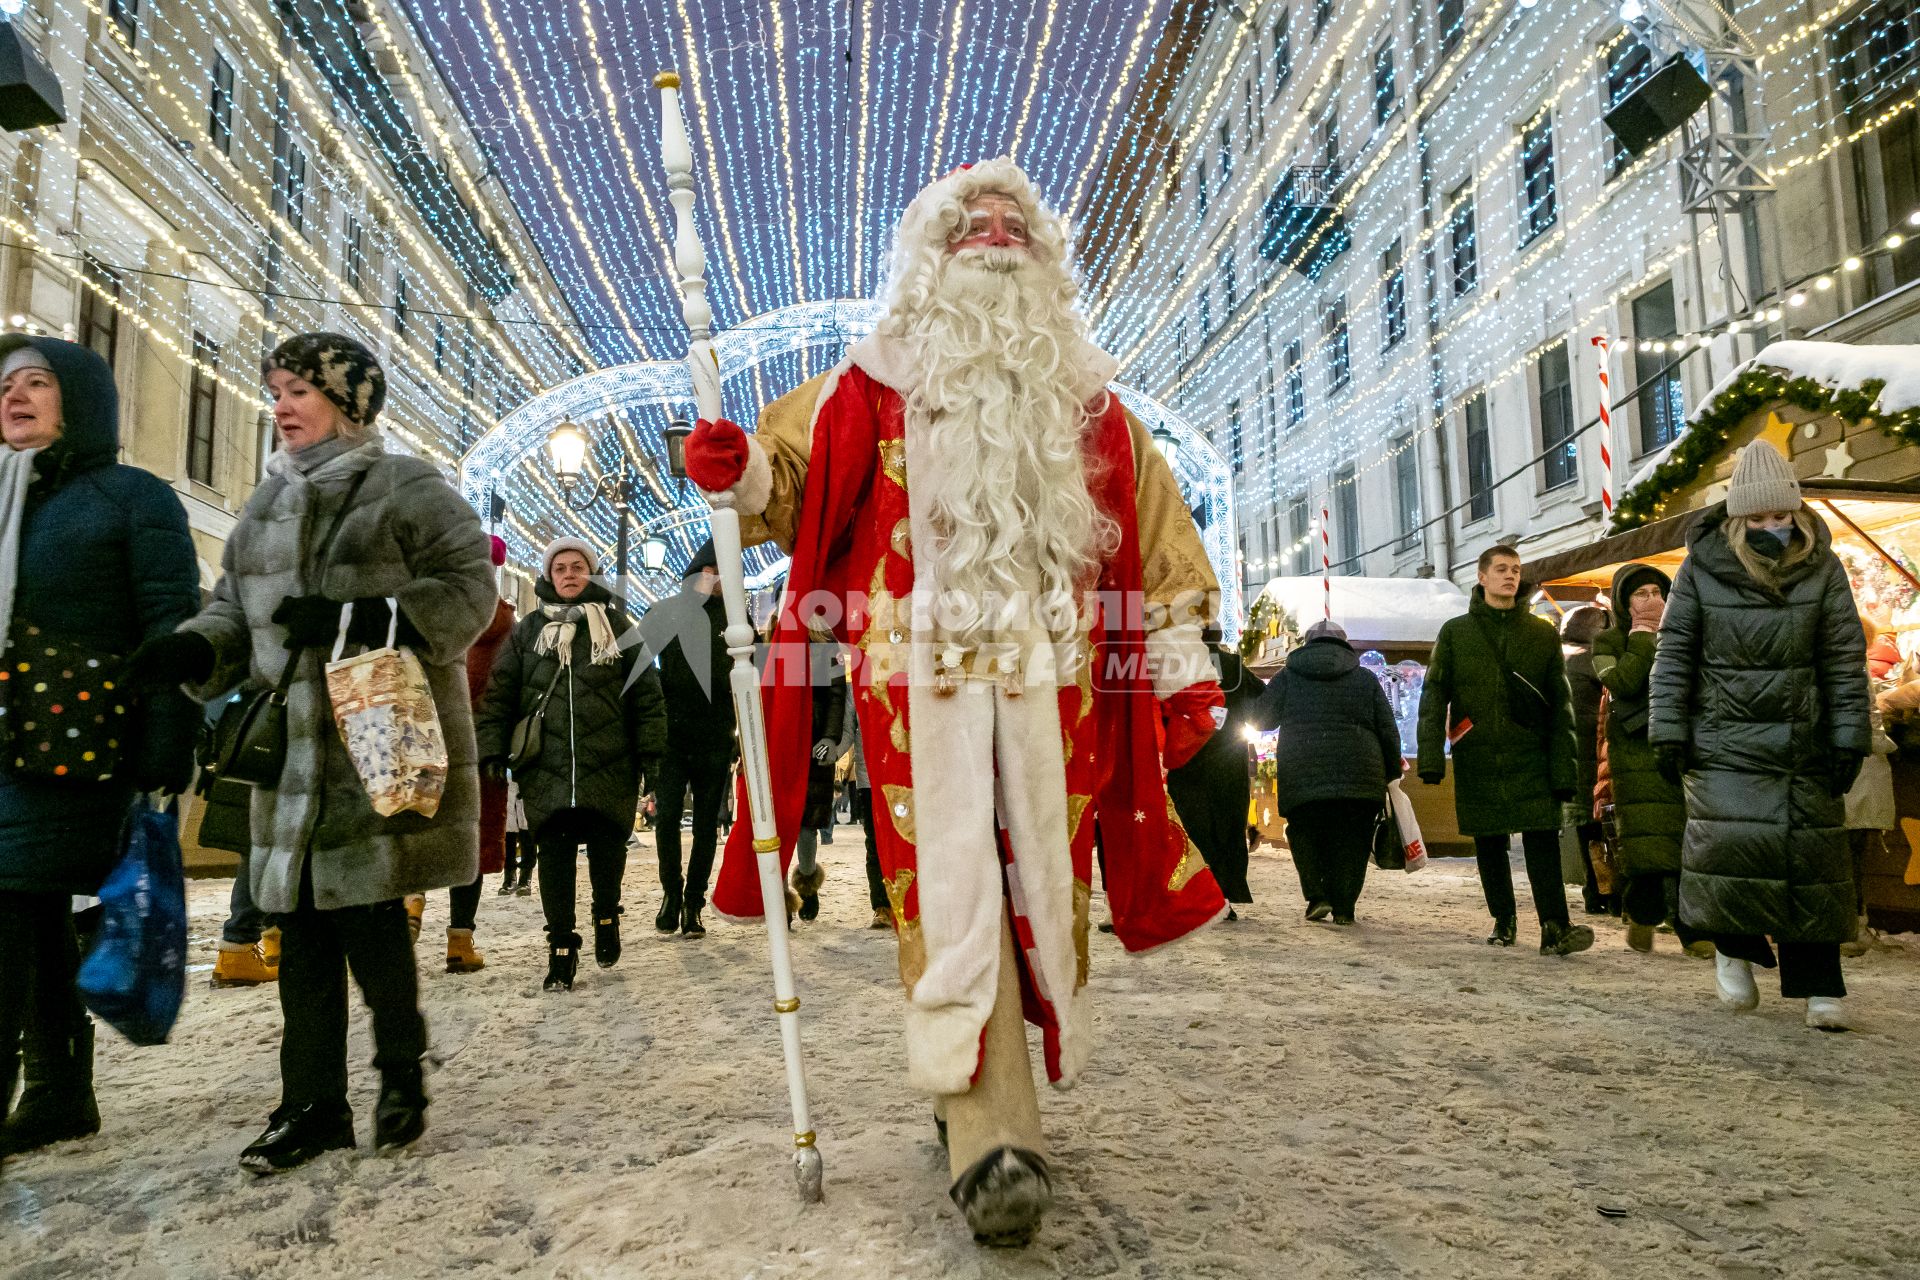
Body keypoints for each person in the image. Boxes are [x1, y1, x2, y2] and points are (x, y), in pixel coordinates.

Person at [686, 159, 1226, 1246]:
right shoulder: (863, 386)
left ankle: (977, 1100)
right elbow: (782, 480)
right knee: (947, 887)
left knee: (1042, 883)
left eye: (1012, 222)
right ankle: (992, 1137)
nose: (993, 232)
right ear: (930, 257)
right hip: (915, 695)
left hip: (1058, 690)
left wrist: (1177, 666)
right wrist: (737, 470)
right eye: (970, 222)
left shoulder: (1094, 408)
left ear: (1043, 262)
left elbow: (1159, 537)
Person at [126, 332, 495, 1174]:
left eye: (299, 390)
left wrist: (361, 619)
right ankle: (312, 1106)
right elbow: (234, 614)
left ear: (349, 402)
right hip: (290, 757)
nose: (282, 405)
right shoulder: (263, 504)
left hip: (375, 740)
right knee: (300, 934)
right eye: (278, 390)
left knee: (370, 922)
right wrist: (191, 650)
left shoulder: (406, 485)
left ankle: (401, 1074)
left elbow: (467, 591)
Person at [0, 336, 198, 1162]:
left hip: (68, 742)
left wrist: (165, 740)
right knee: (31, 914)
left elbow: (170, 622)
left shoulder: (129, 496)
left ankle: (44, 1087)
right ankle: (58, 1090)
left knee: (11, 908)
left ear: (78, 398)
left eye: (37, 382)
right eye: (5, 384)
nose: (15, 396)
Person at [1650, 443, 1870, 1029]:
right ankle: (1733, 951)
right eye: (1759, 518)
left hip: (1804, 741)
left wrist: (1851, 735)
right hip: (1725, 741)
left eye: (1782, 516)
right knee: (1729, 853)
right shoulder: (1700, 569)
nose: (1773, 527)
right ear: (1737, 519)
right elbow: (1674, 654)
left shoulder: (1824, 567)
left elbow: (1844, 658)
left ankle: (1821, 988)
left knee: (1812, 865)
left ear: (1796, 514)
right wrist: (1667, 730)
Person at [473, 537, 666, 989]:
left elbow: (647, 695)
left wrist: (652, 752)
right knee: (554, 857)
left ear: (590, 573)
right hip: (547, 765)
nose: (569, 574)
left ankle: (605, 917)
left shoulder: (618, 626)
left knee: (606, 850)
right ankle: (561, 945)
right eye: (560, 568)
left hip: (610, 761)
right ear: (549, 576)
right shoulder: (528, 632)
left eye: (577, 566)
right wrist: (492, 750)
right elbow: (500, 694)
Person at [1417, 544, 1594, 956]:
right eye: (1501, 569)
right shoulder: (1456, 632)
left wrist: (1564, 769)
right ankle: (1504, 918)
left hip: (1531, 751)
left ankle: (1554, 926)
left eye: (1515, 569)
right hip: (1477, 753)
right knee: (1490, 842)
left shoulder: (1540, 633)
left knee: (1542, 840)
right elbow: (1433, 696)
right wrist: (1430, 758)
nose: (1510, 576)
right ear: (1482, 577)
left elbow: (1560, 705)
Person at [1257, 619, 1402, 926]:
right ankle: (1345, 907)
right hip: (1360, 774)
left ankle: (1317, 896)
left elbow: (1262, 719)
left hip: (1303, 770)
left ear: (1306, 644)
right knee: (1353, 839)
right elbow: (1387, 729)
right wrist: (1390, 771)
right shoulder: (1364, 679)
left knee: (1305, 832)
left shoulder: (1288, 677)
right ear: (1344, 644)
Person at [1590, 564, 1702, 956]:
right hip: (1636, 749)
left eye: (1658, 591)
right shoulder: (1608, 641)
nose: (1652, 600)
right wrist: (1642, 636)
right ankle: (1643, 912)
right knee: (1649, 844)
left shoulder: (1685, 631)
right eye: (1641, 594)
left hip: (1683, 743)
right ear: (1624, 602)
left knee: (1691, 840)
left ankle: (1694, 930)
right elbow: (1624, 682)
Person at [437, 535, 517, 975]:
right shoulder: (505, 623)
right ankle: (460, 939)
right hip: (480, 746)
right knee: (471, 838)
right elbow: (508, 690)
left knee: (416, 826)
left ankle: (410, 905)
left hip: (428, 739)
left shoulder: (431, 612)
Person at [650, 539, 735, 938]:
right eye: (709, 572)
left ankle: (694, 903)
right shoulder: (665, 613)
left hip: (715, 735)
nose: (715, 580)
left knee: (706, 824)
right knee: (666, 817)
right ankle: (671, 892)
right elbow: (644, 673)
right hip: (671, 736)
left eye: (720, 574)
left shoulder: (735, 619)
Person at [1165, 624, 1266, 912]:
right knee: (1227, 825)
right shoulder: (1233, 665)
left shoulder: (1179, 663)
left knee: (1192, 825)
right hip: (1229, 757)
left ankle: (1197, 894)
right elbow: (1260, 697)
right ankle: (1225, 891)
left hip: (1189, 756)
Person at [790, 628, 850, 923]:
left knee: (807, 822)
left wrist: (829, 737)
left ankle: (808, 882)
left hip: (814, 742)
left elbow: (837, 695)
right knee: (777, 824)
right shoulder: (773, 639)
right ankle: (779, 895)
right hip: (782, 743)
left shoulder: (826, 644)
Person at [1560, 605, 1611, 915]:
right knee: (1603, 829)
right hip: (1596, 758)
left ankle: (1594, 892)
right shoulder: (1593, 660)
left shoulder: (1561, 657)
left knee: (1585, 830)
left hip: (1573, 757)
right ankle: (1607, 891)